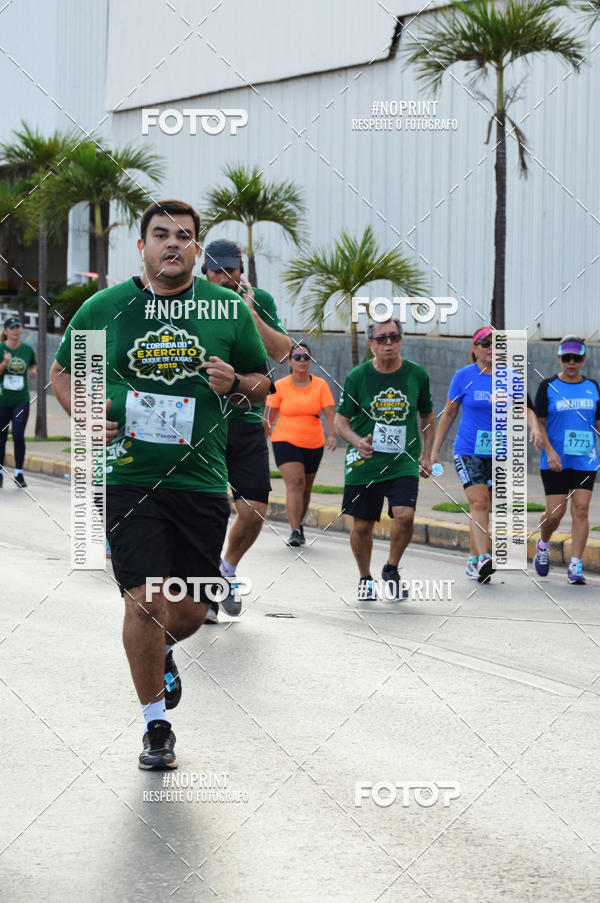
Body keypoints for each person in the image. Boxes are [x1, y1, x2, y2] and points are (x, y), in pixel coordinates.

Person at [50, 200, 271, 770]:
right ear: (143, 245)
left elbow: (261, 384)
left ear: (197, 248)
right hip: (129, 477)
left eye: (184, 236)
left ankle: (163, 652)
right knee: (145, 602)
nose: (173, 244)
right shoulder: (107, 306)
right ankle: (156, 727)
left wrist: (236, 382)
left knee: (193, 611)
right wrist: (84, 413)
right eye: (161, 235)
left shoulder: (225, 309)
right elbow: (63, 372)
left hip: (200, 480)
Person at [202, 239, 291, 622]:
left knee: (254, 510)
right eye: (217, 270)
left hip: (246, 419)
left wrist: (250, 313)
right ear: (204, 272)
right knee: (205, 509)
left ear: (242, 270)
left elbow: (283, 352)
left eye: (232, 270)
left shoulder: (261, 301)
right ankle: (203, 590)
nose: (225, 277)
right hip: (202, 423)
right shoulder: (192, 301)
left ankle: (226, 569)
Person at [334, 318, 434, 601]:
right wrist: (357, 442)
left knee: (405, 515)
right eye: (382, 339)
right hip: (365, 463)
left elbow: (427, 415)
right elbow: (340, 421)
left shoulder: (417, 375)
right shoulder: (358, 376)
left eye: (394, 337)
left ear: (401, 340)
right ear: (371, 345)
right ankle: (365, 578)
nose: (389, 343)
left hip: (403, 460)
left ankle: (391, 569)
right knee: (363, 526)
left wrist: (428, 454)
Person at [430, 326, 496, 583]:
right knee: (479, 502)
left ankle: (473, 559)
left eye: (495, 343)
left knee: (484, 506)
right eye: (484, 343)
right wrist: (435, 450)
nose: (490, 347)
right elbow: (449, 413)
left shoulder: (510, 377)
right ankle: (483, 558)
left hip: (497, 452)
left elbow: (523, 410)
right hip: (468, 450)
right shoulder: (463, 376)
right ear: (474, 348)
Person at [533, 335, 600, 585]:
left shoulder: (592, 386)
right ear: (559, 358)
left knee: (581, 510)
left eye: (577, 358)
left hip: (585, 460)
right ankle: (544, 543)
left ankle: (575, 565)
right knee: (555, 514)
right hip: (555, 460)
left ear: (584, 359)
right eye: (566, 358)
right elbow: (538, 424)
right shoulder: (548, 386)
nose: (571, 362)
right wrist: (549, 451)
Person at [265, 342, 336, 546]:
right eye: (298, 357)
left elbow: (330, 413)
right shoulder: (279, 386)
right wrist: (259, 442)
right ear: (289, 362)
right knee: (295, 482)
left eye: (307, 357)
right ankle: (295, 530)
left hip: (314, 442)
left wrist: (332, 434)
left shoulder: (320, 385)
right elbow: (268, 418)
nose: (303, 361)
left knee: (305, 488)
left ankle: (299, 524)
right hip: (285, 440)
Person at [0, 316, 37, 488]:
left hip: (21, 399)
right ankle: (0, 472)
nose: (16, 330)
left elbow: (32, 364)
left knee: (18, 435)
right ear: (6, 331)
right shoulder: (0, 348)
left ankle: (19, 474)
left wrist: (33, 371)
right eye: (12, 328)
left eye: (18, 327)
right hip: (2, 399)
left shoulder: (27, 349)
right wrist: (5, 363)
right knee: (1, 437)